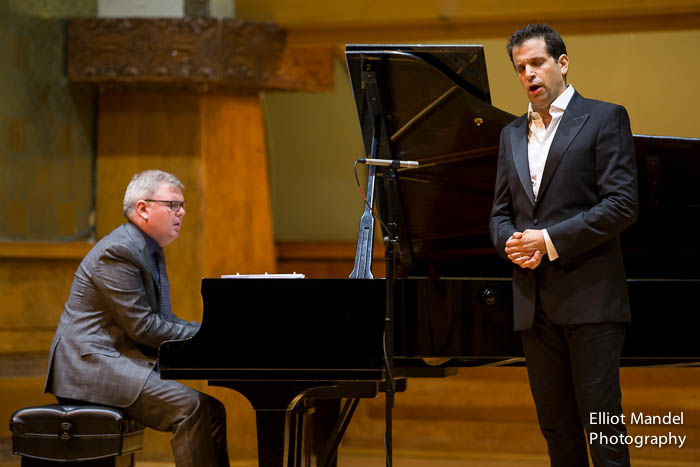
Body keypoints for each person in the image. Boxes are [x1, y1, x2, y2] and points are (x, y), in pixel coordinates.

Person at [489, 24, 638, 466]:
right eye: (521, 68)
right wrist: (509, 243)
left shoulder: (605, 117)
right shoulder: (510, 134)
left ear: (562, 63)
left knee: (603, 431)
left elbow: (622, 204)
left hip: (590, 301)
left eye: (537, 62)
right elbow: (501, 214)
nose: (529, 74)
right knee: (557, 430)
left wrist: (549, 240)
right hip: (532, 304)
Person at [44, 170, 230, 467]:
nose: (182, 212)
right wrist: (207, 336)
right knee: (194, 408)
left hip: (112, 358)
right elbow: (143, 327)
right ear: (143, 208)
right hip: (91, 366)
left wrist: (207, 332)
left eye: (182, 205)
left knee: (212, 409)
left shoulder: (144, 248)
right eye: (173, 205)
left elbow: (160, 319)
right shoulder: (119, 251)